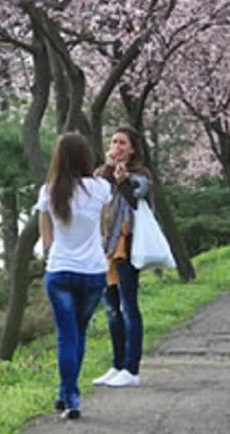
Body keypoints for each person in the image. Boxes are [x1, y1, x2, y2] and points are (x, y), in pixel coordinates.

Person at [37, 132, 111, 420]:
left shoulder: (49, 191)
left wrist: (51, 253)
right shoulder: (102, 188)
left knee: (67, 335)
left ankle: (70, 395)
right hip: (93, 271)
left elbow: (46, 239)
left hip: (60, 271)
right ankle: (67, 393)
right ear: (86, 156)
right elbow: (104, 226)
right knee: (78, 332)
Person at [93, 126, 153, 388]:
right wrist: (108, 172)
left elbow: (137, 198)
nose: (116, 147)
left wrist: (123, 180)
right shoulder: (101, 174)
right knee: (112, 310)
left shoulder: (140, 174)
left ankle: (132, 368)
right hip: (104, 248)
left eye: (121, 143)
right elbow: (94, 198)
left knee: (129, 306)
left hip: (126, 246)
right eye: (113, 141)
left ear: (132, 149)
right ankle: (117, 365)